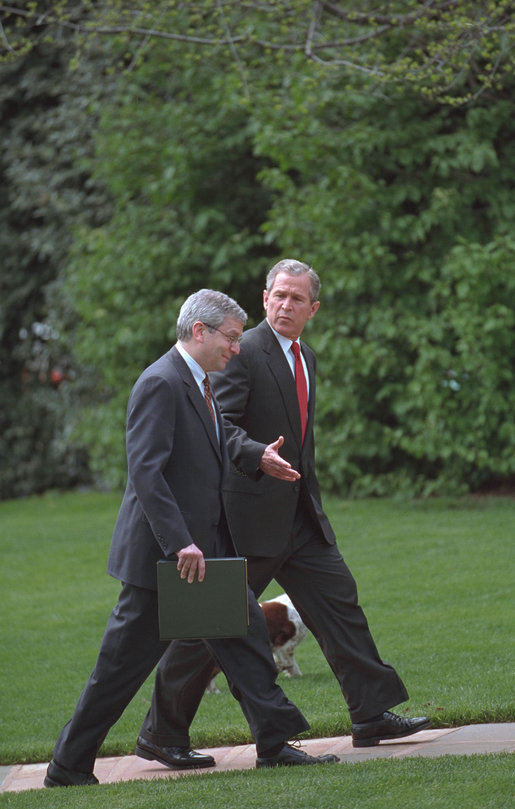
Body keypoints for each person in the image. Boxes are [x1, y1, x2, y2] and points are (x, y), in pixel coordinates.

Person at [44, 288, 339, 788]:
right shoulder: (160, 382)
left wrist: (255, 456)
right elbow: (147, 474)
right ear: (198, 331)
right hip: (165, 560)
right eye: (230, 337)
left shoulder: (197, 381)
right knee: (120, 667)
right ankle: (68, 765)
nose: (236, 348)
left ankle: (274, 743)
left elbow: (217, 434)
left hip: (206, 550)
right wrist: (181, 542)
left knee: (246, 638)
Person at [137, 260, 430, 761]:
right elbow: (216, 425)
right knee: (213, 628)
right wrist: (258, 456)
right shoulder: (244, 351)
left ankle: (371, 713)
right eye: (278, 295)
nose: (285, 305)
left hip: (299, 516)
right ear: (266, 295)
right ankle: (161, 735)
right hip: (247, 519)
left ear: (313, 308)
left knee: (340, 604)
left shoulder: (306, 357)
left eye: (297, 299)